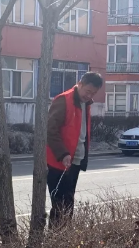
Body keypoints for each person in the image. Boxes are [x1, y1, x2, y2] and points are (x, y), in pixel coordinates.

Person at [46, 72, 104, 229]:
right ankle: (56, 240)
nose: (89, 95)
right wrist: (63, 153)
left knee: (68, 203)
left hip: (75, 161)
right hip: (59, 162)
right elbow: (50, 130)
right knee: (60, 206)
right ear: (80, 83)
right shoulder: (63, 100)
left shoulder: (86, 103)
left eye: (93, 93)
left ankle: (64, 238)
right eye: (88, 91)